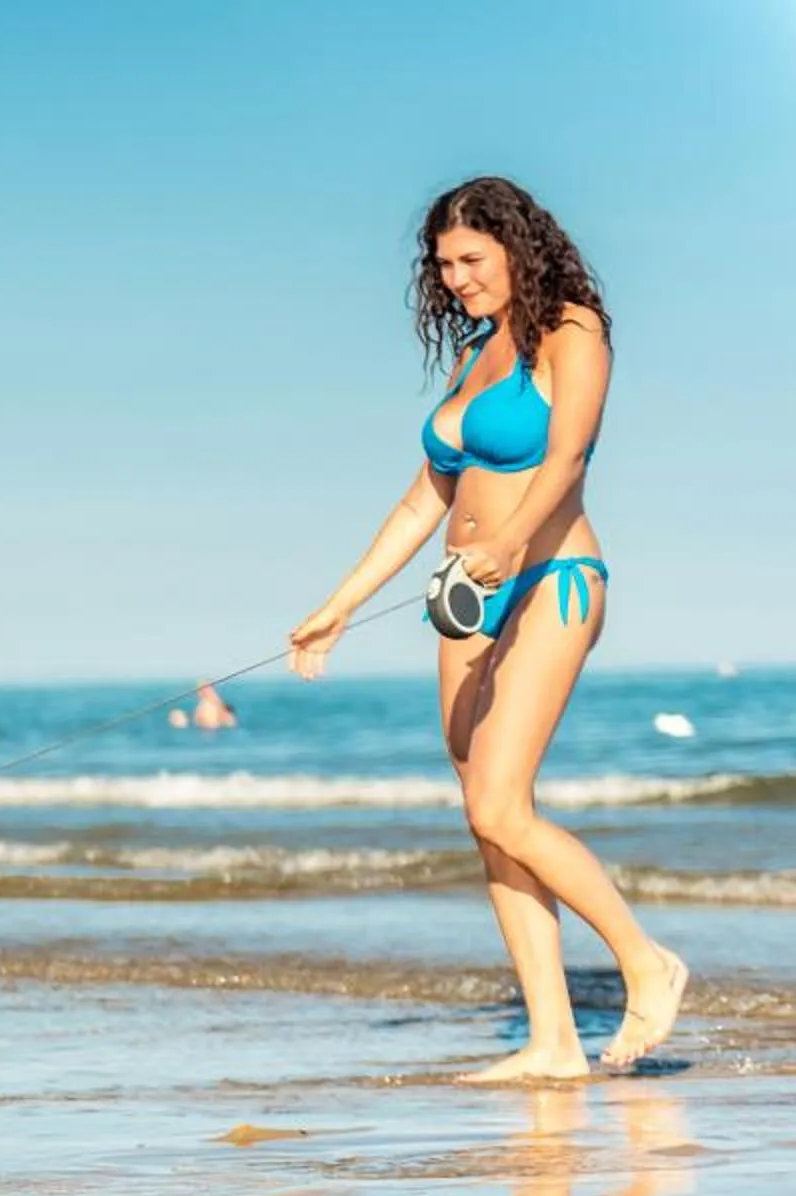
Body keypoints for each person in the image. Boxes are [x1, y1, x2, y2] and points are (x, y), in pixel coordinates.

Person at [288, 177, 683, 1081]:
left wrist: (509, 539)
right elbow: (422, 496)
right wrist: (340, 604)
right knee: (488, 821)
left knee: (500, 802)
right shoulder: (475, 353)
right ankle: (552, 1042)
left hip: (550, 576)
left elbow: (570, 451)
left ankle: (645, 960)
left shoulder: (571, 330)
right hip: (462, 595)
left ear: (517, 248)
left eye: (471, 260)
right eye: (444, 267)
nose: (457, 279)